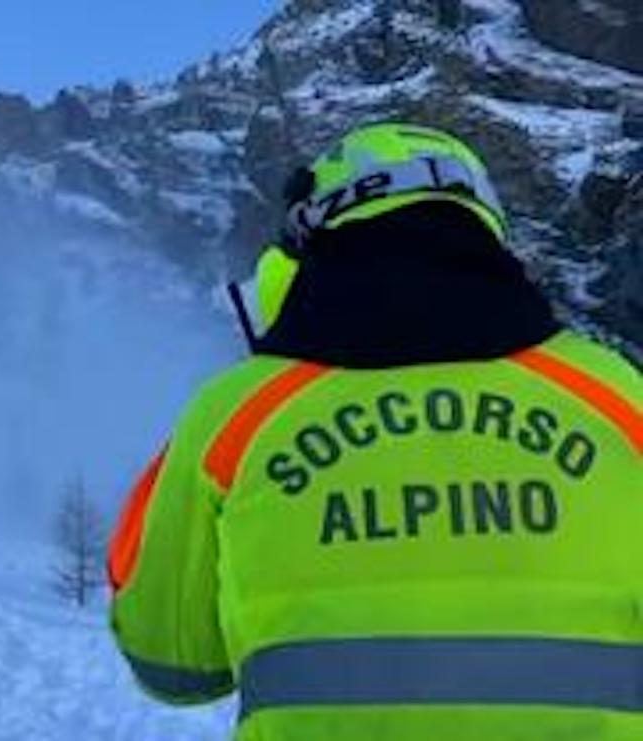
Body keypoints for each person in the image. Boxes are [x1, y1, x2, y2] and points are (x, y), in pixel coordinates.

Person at [106, 123, 642, 740]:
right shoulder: (616, 396)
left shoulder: (237, 414)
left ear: (309, 236)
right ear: (486, 223)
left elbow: (171, 666)